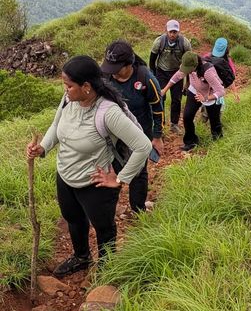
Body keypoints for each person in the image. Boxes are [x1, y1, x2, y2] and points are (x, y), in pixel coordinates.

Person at [26, 56, 152, 277]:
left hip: (95, 182)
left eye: (69, 85)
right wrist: (43, 148)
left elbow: (143, 145)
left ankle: (107, 266)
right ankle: (82, 256)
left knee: (103, 227)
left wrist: (120, 179)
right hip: (65, 176)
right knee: (73, 218)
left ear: (86, 87)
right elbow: (56, 126)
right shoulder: (68, 100)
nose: (65, 90)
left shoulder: (108, 112)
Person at [101, 40, 164, 213]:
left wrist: (157, 136)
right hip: (112, 135)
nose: (112, 74)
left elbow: (157, 108)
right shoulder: (105, 76)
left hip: (139, 132)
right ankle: (108, 210)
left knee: (138, 169)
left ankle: (138, 208)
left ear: (129, 64)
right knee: (113, 168)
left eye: (116, 69)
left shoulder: (145, 78)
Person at [161, 51, 225, 151]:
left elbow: (221, 91)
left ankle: (218, 144)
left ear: (195, 65)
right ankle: (191, 142)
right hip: (194, 91)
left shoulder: (208, 72)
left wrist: (206, 98)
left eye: (188, 69)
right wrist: (165, 89)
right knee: (187, 116)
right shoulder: (187, 66)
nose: (186, 71)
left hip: (210, 96)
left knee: (215, 122)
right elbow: (177, 76)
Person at [149, 19, 191, 134]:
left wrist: (188, 82)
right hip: (161, 72)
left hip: (177, 73)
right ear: (166, 31)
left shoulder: (185, 43)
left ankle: (174, 124)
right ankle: (160, 124)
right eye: (170, 32)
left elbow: (189, 63)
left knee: (176, 99)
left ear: (178, 32)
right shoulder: (159, 42)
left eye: (175, 32)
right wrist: (152, 76)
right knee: (160, 98)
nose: (172, 34)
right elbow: (152, 60)